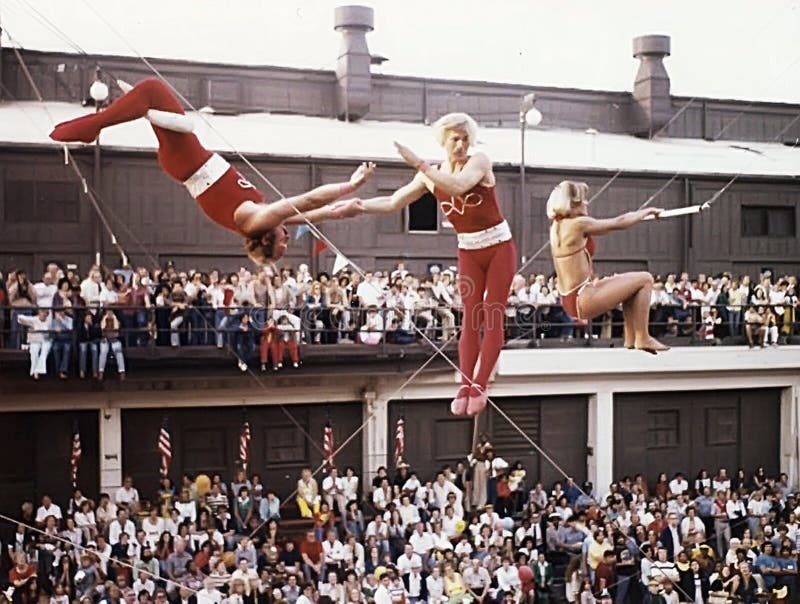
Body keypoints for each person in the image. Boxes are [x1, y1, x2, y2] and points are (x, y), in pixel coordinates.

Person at [50, 78, 374, 264]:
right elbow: (313, 215)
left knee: (151, 90)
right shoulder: (262, 220)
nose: (287, 238)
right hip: (187, 159)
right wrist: (340, 212)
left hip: (189, 159)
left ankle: (93, 126)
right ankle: (98, 124)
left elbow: (305, 201)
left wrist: (350, 185)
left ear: (265, 239)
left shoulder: (256, 221)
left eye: (282, 243)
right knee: (149, 96)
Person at [358, 113, 516, 415]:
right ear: (443, 141)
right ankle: (465, 383)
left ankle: (480, 384)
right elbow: (393, 202)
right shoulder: (429, 175)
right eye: (454, 139)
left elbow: (457, 186)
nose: (461, 144)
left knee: (492, 313)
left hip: (498, 246)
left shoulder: (479, 161)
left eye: (465, 138)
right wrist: (358, 206)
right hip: (469, 249)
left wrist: (419, 163)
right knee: (470, 316)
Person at [546, 181, 668, 353]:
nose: (587, 203)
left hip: (571, 297)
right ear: (573, 204)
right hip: (582, 298)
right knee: (646, 279)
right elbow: (618, 222)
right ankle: (643, 338)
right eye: (584, 200)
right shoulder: (578, 224)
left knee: (630, 284)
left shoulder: (556, 226)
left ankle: (631, 338)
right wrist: (646, 212)